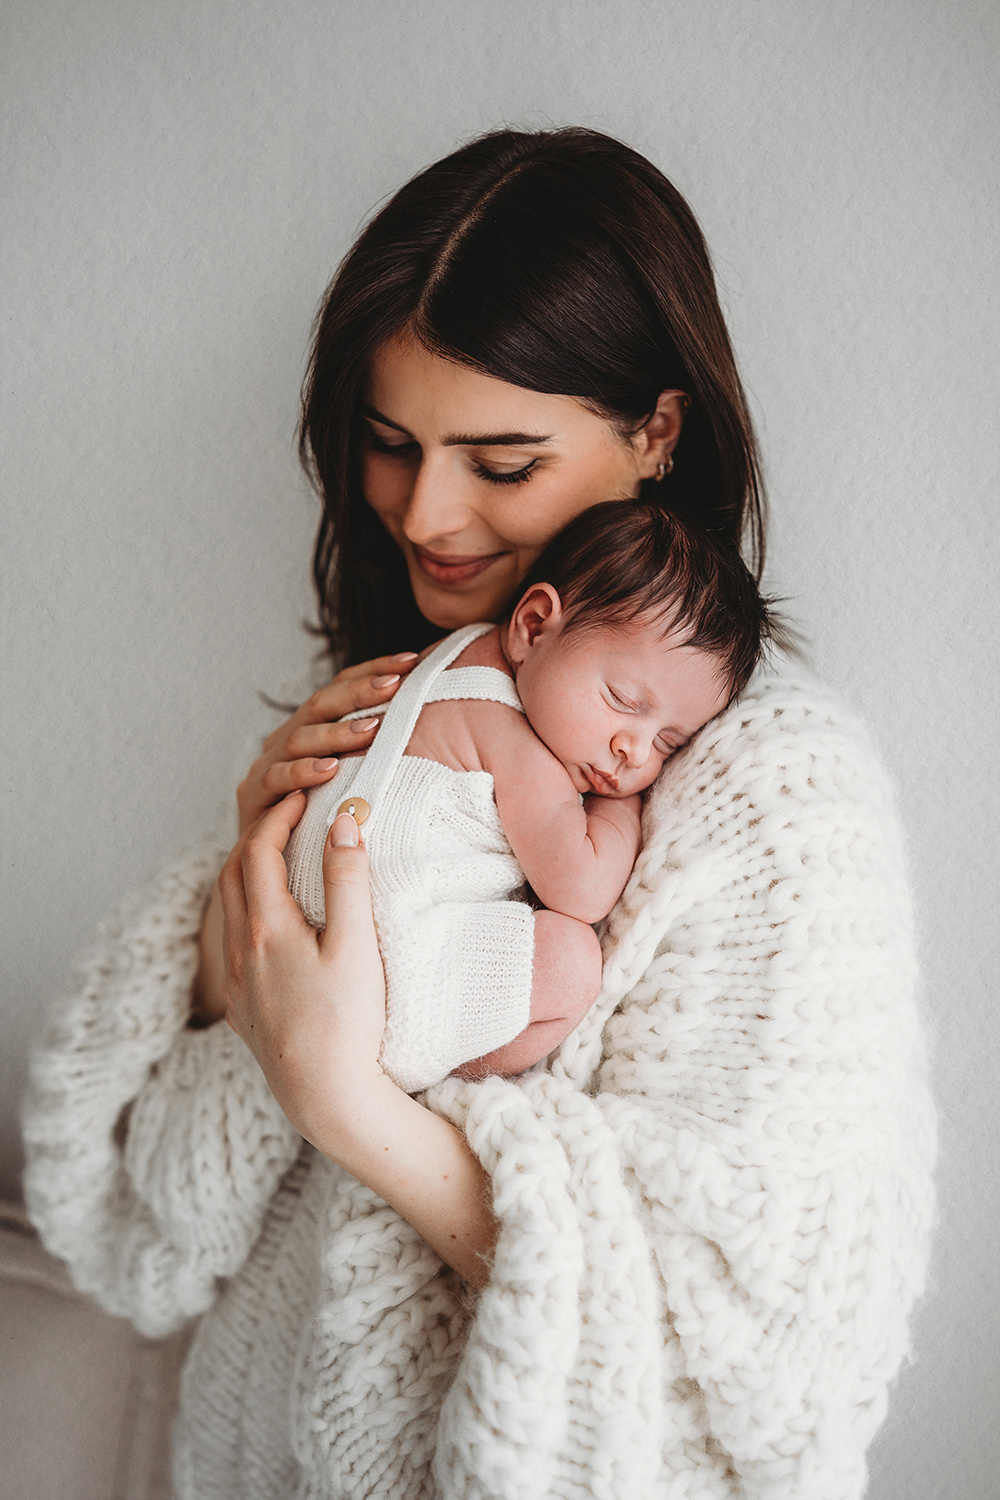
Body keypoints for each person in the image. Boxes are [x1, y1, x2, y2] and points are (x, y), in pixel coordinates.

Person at [21, 127, 935, 1500]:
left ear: (656, 435)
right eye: (389, 446)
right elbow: (151, 1225)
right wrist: (249, 912)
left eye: (500, 464)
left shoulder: (781, 802)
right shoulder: (382, 698)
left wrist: (345, 1097)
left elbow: (745, 1372)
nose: (426, 512)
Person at [278, 499, 774, 1093]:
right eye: (621, 699)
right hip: (389, 972)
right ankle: (437, 1079)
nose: (634, 753)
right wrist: (620, 806)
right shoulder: (512, 739)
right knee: (570, 961)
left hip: (300, 937)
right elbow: (581, 887)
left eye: (670, 741)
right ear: (534, 625)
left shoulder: (457, 650)